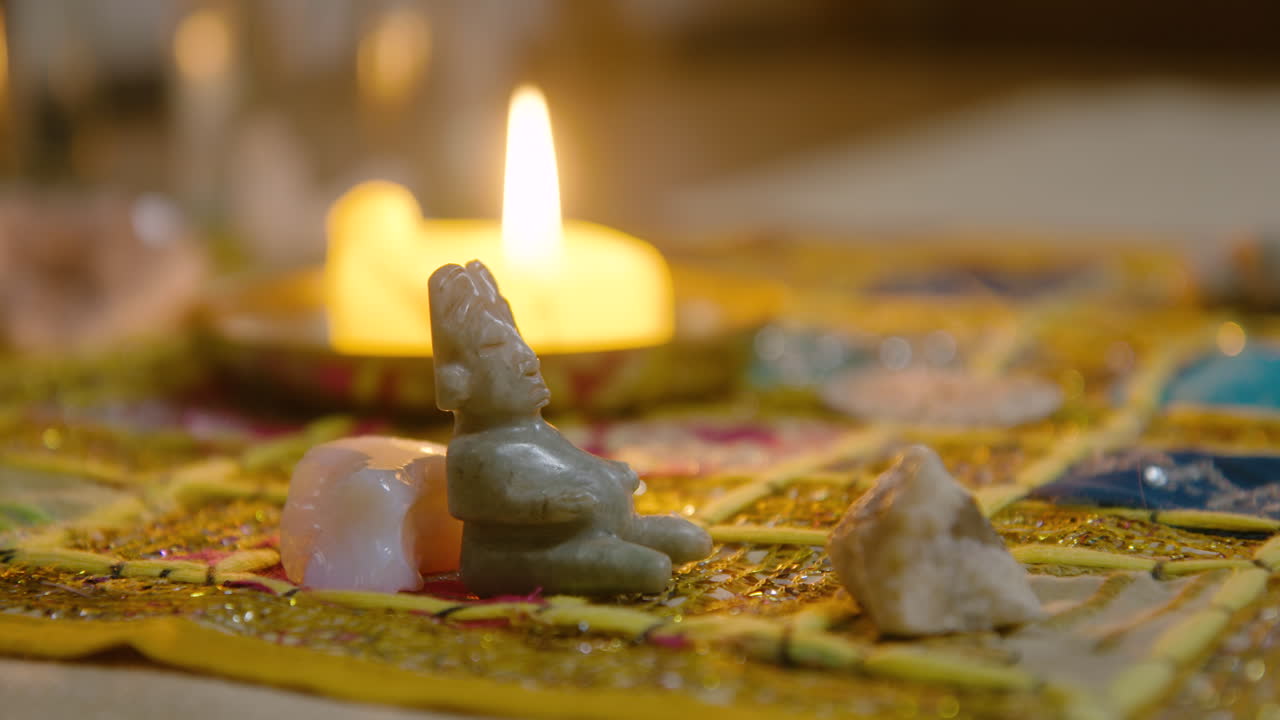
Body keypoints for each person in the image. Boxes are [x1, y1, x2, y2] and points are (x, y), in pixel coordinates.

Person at [429, 261, 711, 596]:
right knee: (650, 568)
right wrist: (546, 507)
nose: (529, 360)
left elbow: (567, 461)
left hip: (604, 528)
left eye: (519, 343)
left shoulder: (538, 430)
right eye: (493, 348)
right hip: (524, 553)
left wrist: (609, 471)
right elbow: (477, 504)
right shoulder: (474, 449)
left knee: (690, 538)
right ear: (458, 383)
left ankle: (623, 542)